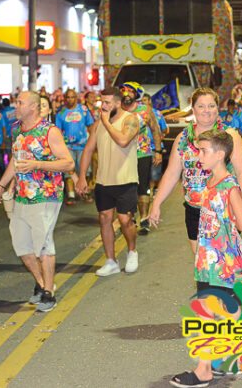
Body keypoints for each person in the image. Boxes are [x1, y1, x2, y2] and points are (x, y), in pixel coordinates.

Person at [169, 130, 242, 388]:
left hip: (223, 261)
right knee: (217, 311)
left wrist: (225, 217)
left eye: (204, 151)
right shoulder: (210, 182)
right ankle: (221, 360)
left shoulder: (229, 186)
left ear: (220, 154)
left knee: (213, 311)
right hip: (209, 259)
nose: (199, 156)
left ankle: (206, 368)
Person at [0, 91, 74, 313]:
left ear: (34, 107)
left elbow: (68, 163)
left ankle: (48, 294)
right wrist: (1, 185)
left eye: (20, 103)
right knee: (22, 245)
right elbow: (15, 161)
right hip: (22, 195)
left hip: (46, 194)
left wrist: (38, 164)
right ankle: (42, 283)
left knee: (43, 244)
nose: (16, 106)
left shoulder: (49, 131)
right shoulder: (17, 129)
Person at [148, 87, 242, 254]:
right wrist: (156, 203)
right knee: (201, 262)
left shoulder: (230, 136)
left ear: (217, 108)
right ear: (193, 109)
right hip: (194, 209)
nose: (207, 111)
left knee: (223, 261)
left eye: (211, 106)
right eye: (201, 106)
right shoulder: (183, 138)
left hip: (223, 209)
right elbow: (171, 173)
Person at [76, 88, 140, 276]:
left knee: (125, 220)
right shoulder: (98, 124)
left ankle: (132, 251)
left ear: (118, 103)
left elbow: (123, 141)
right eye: (101, 102)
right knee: (105, 218)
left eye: (107, 103)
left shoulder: (130, 119)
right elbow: (88, 150)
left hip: (126, 179)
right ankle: (111, 261)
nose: (103, 106)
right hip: (103, 180)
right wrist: (82, 177)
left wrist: (105, 121)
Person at [119, 82, 162, 235]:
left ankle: (144, 219)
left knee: (142, 186)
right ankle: (129, 217)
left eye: (130, 91)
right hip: (122, 155)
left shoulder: (145, 110)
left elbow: (155, 130)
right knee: (126, 187)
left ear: (136, 94)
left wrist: (158, 151)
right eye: (123, 91)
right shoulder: (117, 110)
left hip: (142, 153)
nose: (126, 94)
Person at [55, 89, 95, 205]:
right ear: (65, 98)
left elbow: (91, 126)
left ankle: (85, 192)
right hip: (68, 147)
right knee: (69, 171)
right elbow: (57, 131)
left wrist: (94, 142)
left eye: (72, 97)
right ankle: (71, 194)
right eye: (68, 97)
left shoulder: (83, 110)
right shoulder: (61, 113)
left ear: (76, 98)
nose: (70, 99)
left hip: (83, 146)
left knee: (85, 171)